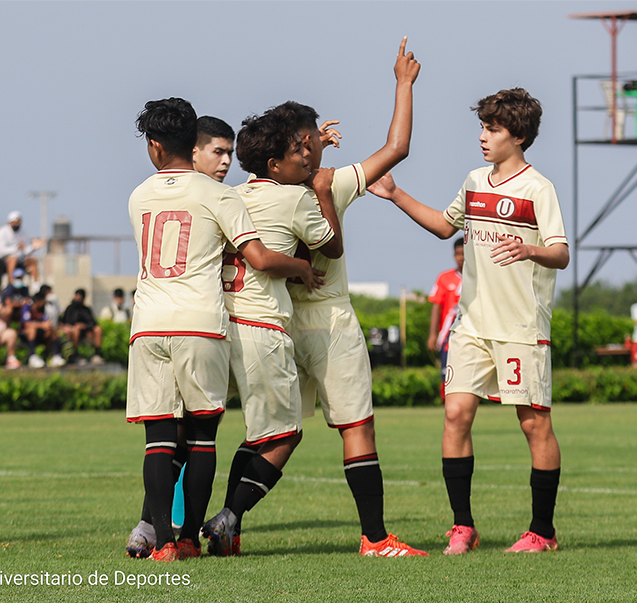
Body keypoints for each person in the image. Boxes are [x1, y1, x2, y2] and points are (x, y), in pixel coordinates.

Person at [368, 87, 569, 555]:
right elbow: (444, 225)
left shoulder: (538, 188)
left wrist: (530, 249)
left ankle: (542, 532)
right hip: (472, 326)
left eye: (492, 129)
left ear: (517, 136)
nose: (483, 136)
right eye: (482, 127)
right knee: (456, 414)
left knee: (533, 425)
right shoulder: (476, 180)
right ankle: (463, 527)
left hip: (522, 327)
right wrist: (395, 194)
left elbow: (560, 252)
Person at [125, 97, 320, 562]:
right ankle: (189, 538)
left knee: (159, 441)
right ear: (192, 143)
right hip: (200, 323)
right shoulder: (218, 195)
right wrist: (299, 266)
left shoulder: (138, 195)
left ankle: (160, 540)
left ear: (154, 147)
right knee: (201, 439)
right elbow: (255, 256)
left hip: (148, 324)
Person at [265, 37, 426, 557]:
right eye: (310, 137)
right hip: (330, 322)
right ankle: (375, 538)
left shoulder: (252, 191)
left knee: (271, 435)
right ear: (305, 145)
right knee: (356, 426)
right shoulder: (328, 185)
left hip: (276, 321)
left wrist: (310, 151)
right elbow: (396, 147)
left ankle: (227, 522)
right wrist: (402, 84)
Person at [202, 110, 342, 558]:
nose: (305, 155)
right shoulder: (293, 198)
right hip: (262, 325)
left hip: (219, 325)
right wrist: (320, 191)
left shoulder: (228, 195)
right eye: (296, 150)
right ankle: (229, 516)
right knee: (285, 434)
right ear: (274, 165)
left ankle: (190, 530)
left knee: (216, 432)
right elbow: (331, 246)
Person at [428, 237, 464, 399]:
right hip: (448, 337)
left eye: (464, 254)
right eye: (458, 254)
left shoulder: (479, 278)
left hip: (471, 334)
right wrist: (433, 334)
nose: (461, 258)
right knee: (446, 376)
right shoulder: (445, 278)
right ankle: (448, 409)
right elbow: (436, 306)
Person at [0, 211, 45, 283]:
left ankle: (36, 285)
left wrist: (33, 247)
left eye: (18, 222)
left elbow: (25, 251)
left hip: (20, 259)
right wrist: (16, 248)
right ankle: (11, 283)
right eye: (14, 222)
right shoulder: (2, 232)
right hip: (4, 260)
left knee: (32, 260)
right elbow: (1, 250)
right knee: (13, 259)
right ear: (9, 222)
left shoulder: (23, 232)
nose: (16, 224)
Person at [20, 291, 65, 368]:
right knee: (31, 329)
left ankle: (55, 355)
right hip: (26, 334)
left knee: (52, 329)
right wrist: (41, 325)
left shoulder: (43, 309)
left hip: (40, 333)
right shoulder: (27, 307)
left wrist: (47, 327)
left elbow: (46, 322)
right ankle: (32, 356)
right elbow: (26, 324)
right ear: (39, 301)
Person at [59, 289, 104, 365]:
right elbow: (65, 322)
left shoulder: (86, 309)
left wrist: (84, 326)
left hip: (86, 331)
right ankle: (75, 354)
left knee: (98, 329)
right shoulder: (70, 309)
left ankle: (97, 354)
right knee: (76, 329)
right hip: (73, 331)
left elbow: (92, 322)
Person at [193, 116, 235, 183]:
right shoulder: (175, 190)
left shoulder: (228, 192)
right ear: (194, 153)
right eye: (218, 152)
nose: (227, 161)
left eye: (229, 153)